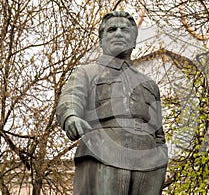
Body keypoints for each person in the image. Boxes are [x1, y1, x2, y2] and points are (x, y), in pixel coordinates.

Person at [56, 11, 168, 195]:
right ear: (101, 40)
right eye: (111, 30)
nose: (118, 33)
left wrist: (161, 156)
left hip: (148, 159)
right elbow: (71, 99)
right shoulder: (87, 72)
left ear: (133, 41)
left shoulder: (149, 84)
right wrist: (71, 117)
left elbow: (159, 133)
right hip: (105, 148)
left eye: (124, 30)